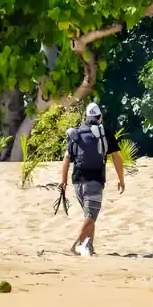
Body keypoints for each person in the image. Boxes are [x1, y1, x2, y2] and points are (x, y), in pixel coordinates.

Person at [60, 102, 124, 256]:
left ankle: (88, 247)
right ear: (100, 116)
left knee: (89, 215)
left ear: (86, 117)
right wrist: (121, 180)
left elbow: (67, 157)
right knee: (91, 216)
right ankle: (76, 245)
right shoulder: (106, 133)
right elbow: (116, 157)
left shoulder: (76, 133)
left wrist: (63, 180)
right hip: (95, 181)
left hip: (77, 181)